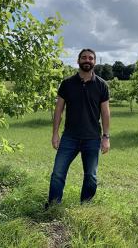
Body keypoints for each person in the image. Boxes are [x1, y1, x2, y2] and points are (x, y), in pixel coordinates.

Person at [47, 48, 110, 206]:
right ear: (78, 61)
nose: (87, 60)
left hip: (92, 138)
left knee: (91, 176)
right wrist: (55, 134)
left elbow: (105, 113)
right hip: (70, 137)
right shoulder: (67, 84)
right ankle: (54, 205)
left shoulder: (102, 85)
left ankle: (85, 206)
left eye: (90, 58)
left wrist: (106, 137)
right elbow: (59, 110)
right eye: (84, 58)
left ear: (94, 62)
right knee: (58, 173)